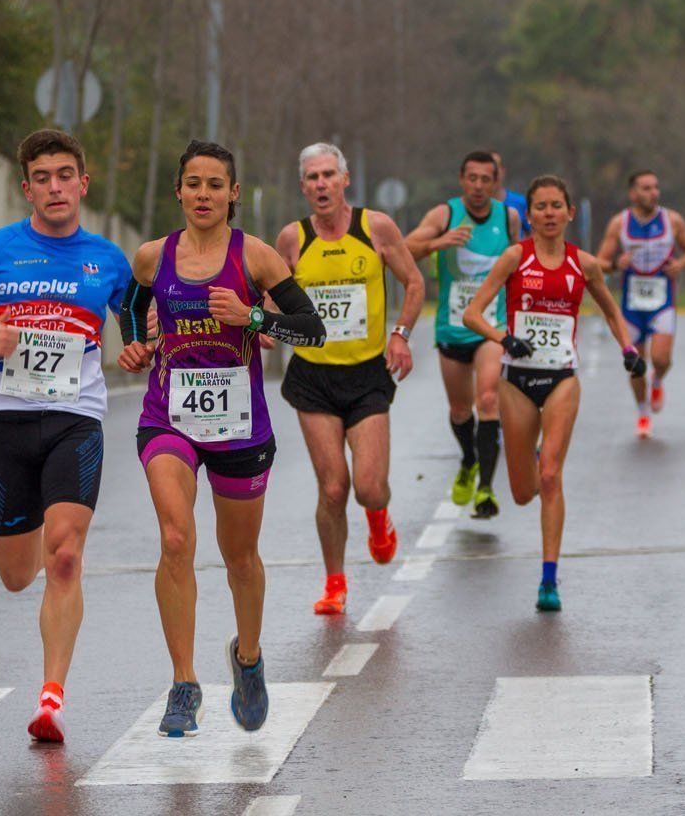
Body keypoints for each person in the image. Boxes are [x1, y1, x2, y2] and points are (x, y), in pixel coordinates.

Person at [0, 129, 132, 744]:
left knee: (64, 556)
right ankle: (34, 555)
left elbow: (142, 324)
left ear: (83, 183)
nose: (55, 187)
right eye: (42, 178)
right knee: (18, 575)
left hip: (78, 419)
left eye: (65, 175)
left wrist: (141, 348)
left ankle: (51, 697)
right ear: (27, 189)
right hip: (8, 422)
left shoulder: (109, 260)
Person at [117, 140, 325, 738]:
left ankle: (249, 658)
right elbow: (131, 312)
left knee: (239, 559)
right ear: (178, 192)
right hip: (169, 419)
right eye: (193, 184)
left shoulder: (255, 257)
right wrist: (136, 343)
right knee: (177, 537)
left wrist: (253, 317)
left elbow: (312, 331)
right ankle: (184, 684)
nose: (203, 194)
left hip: (239, 427)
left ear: (233, 193)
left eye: (215, 185)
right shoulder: (153, 258)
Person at [464, 176, 642, 612]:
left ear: (569, 213)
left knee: (550, 478)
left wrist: (629, 349)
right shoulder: (513, 258)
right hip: (517, 381)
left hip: (562, 377)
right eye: (540, 206)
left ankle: (548, 580)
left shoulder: (585, 264)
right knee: (524, 492)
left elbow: (610, 309)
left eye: (555, 206)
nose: (547, 213)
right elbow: (472, 313)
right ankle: (534, 452)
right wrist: (503, 338)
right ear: (530, 215)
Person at [275, 143, 425, 615]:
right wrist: (265, 327)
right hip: (313, 376)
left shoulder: (374, 227)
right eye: (312, 178)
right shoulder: (292, 239)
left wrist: (400, 335)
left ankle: (378, 518)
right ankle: (334, 582)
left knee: (368, 487)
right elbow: (274, 295)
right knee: (333, 487)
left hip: (367, 374)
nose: (321, 184)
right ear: (303, 186)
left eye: (328, 175)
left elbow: (414, 282)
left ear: (344, 181)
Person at [405, 150, 521, 518]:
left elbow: (518, 263)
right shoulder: (444, 215)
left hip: (491, 327)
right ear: (462, 179)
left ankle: (486, 488)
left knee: (487, 399)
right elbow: (404, 248)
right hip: (452, 327)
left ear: (495, 182)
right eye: (472, 178)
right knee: (459, 409)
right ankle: (469, 460)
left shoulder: (509, 217)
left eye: (486, 179)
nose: (478, 186)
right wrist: (439, 243)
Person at [596, 170, 685, 439]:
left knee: (662, 358)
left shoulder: (672, 220)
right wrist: (615, 264)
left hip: (662, 300)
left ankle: (658, 380)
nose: (653, 192)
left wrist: (680, 264)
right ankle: (642, 411)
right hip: (631, 304)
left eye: (655, 187)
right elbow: (600, 261)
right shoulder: (619, 223)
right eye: (646, 188)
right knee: (635, 363)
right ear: (633, 193)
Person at [491, 151, 528, 229]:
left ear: (503, 171)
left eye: (496, 167)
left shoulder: (521, 203)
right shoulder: (469, 208)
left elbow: (533, 234)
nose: (492, 173)